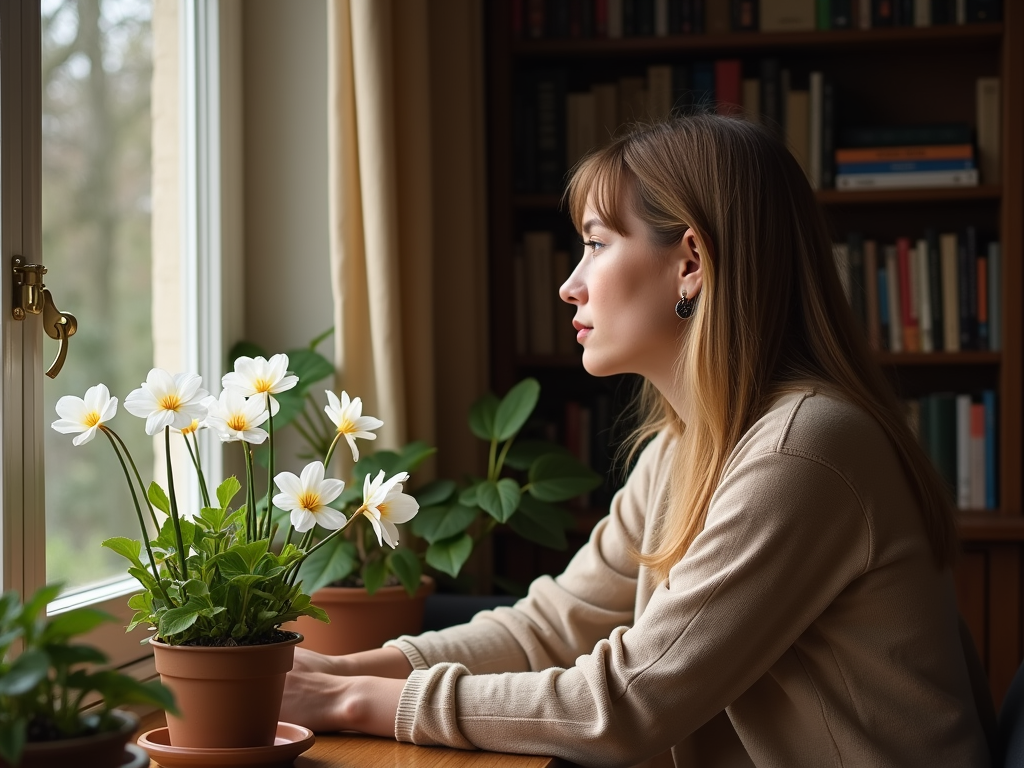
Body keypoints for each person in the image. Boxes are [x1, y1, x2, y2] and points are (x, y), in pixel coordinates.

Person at [281, 114, 991, 767]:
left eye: (594, 244)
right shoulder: (685, 449)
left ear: (690, 262)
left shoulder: (802, 451)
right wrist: (337, 672)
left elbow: (625, 703)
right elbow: (552, 628)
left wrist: (350, 703)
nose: (569, 285)